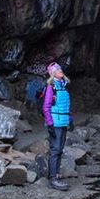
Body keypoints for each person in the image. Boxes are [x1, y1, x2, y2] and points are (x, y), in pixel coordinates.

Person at [42, 61, 71, 191]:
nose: (60, 71)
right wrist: (50, 124)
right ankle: (53, 178)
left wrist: (70, 119)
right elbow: (46, 106)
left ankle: (56, 174)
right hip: (56, 122)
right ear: (53, 73)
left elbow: (66, 105)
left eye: (60, 69)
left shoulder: (63, 86)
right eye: (58, 70)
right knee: (55, 149)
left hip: (63, 121)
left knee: (60, 149)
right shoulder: (51, 87)